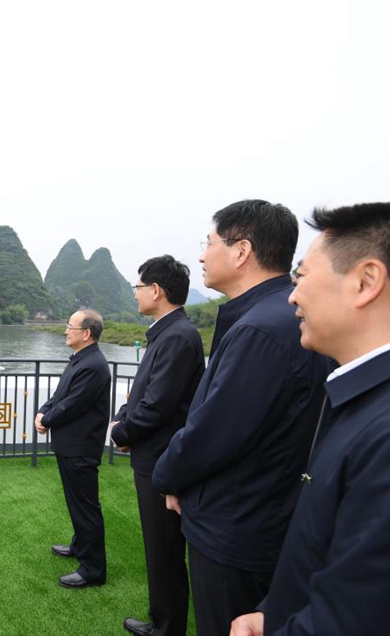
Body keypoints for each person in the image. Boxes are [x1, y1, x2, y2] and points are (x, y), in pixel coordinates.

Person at [151, 200, 329, 635]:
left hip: (235, 527)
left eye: (209, 243)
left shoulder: (259, 328)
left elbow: (214, 432)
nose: (201, 256)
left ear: (241, 251)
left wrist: (167, 477)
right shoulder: (283, 317)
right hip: (265, 516)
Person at [231, 202, 390, 636]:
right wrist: (275, 611)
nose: (292, 295)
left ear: (366, 282)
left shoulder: (382, 431)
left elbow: (352, 619)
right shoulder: (359, 398)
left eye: (301, 277)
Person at [110, 256, 205, 636]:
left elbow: (157, 405)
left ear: (156, 290)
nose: (134, 294)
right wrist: (123, 421)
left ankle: (166, 627)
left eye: (138, 287)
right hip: (152, 455)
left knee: (164, 549)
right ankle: (162, 620)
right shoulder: (167, 333)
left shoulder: (178, 336)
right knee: (159, 547)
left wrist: (121, 434)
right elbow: (144, 395)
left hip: (161, 461)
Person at [35, 308, 111, 588]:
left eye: (71, 327)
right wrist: (43, 410)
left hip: (81, 447)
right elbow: (60, 395)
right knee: (76, 503)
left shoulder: (93, 365)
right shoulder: (81, 359)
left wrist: (46, 420)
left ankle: (93, 569)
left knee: (86, 507)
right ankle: (80, 545)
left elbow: (72, 405)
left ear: (87, 333)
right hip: (71, 444)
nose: (66, 331)